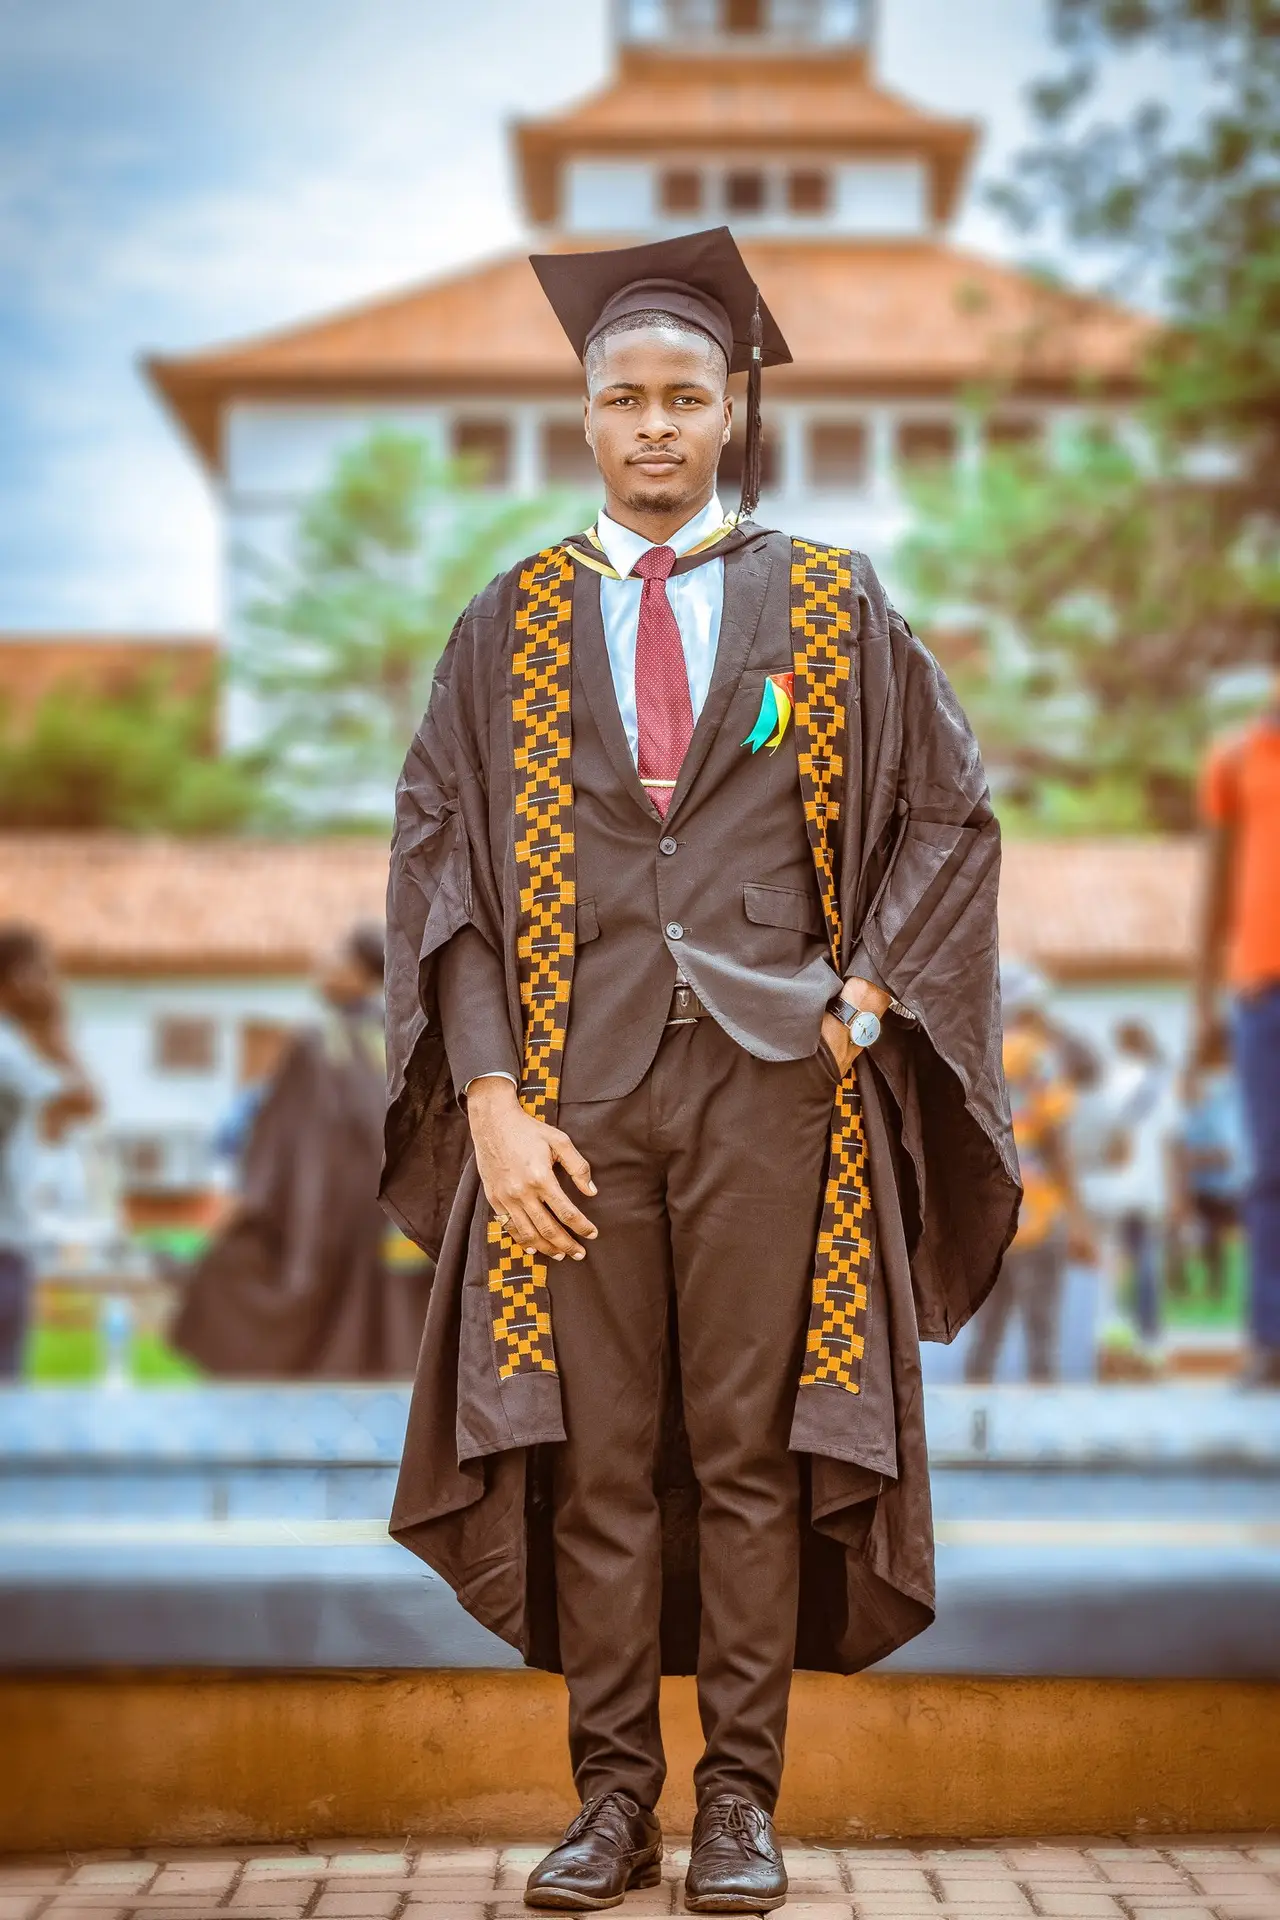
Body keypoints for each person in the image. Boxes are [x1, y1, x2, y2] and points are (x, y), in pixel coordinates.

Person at [381, 229, 1018, 1914]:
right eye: (625, 398)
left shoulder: (830, 601)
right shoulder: (506, 624)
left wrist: (862, 1005)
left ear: (731, 407)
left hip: (776, 1087)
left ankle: (740, 1803)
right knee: (598, 1459)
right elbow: (442, 872)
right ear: (585, 415)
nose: (655, 424)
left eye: (685, 395)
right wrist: (492, 1102)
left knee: (746, 1454)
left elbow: (949, 814)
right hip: (572, 1099)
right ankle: (610, 1803)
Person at [174, 923, 436, 1379]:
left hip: (327, 1210)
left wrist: (254, 1197)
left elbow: (282, 1139)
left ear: (363, 972)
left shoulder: (317, 1046)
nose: (324, 968)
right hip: (391, 1205)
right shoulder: (404, 1037)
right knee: (382, 1326)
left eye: (337, 960)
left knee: (294, 1293)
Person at [1194, 641, 1280, 1383]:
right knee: (1269, 1166)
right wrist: (1202, 1004)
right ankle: (1270, 1339)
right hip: (1262, 992)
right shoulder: (1236, 760)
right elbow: (1215, 890)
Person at [964, 964, 1086, 1384]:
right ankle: (1043, 1423)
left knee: (985, 1337)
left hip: (988, 1218)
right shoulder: (1039, 1057)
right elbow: (1055, 1143)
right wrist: (1079, 1218)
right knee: (1041, 1337)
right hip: (1039, 1214)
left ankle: (973, 1419)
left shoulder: (974, 1055)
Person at [0, 926, 98, 1376]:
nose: (54, 984)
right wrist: (54, 1025)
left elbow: (54, 1127)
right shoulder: (8, 1051)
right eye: (43, 972)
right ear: (15, 979)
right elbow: (84, 1101)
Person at [1085, 1020, 1176, 1360]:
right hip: (1148, 1188)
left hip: (1109, 1188)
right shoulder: (1161, 1082)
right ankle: (1148, 1336)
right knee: (1146, 1260)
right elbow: (1170, 1142)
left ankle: (1108, 1332)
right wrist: (1176, 1194)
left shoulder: (1108, 1079)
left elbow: (1097, 1137)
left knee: (1110, 1259)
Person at [1170, 1022, 1248, 1305]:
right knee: (1192, 1240)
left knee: (1213, 1242)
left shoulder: (1230, 1091)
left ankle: (1213, 1291)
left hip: (1221, 1183)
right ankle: (1189, 1292)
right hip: (1198, 1184)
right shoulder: (1196, 1095)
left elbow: (1232, 1149)